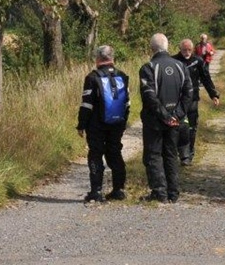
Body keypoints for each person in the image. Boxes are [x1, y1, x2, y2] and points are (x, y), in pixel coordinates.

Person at [138, 32, 192, 203]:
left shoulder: (148, 68)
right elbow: (188, 93)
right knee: (171, 154)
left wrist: (165, 116)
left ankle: (159, 193)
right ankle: (173, 193)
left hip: (155, 122)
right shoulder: (180, 66)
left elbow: (149, 96)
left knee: (153, 155)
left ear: (151, 48)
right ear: (168, 46)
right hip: (174, 121)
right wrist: (176, 115)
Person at [76, 44, 130, 203]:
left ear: (98, 58)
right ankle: (118, 190)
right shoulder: (122, 75)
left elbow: (87, 105)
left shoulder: (92, 77)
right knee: (115, 152)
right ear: (112, 58)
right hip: (117, 123)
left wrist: (81, 125)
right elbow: (127, 103)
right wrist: (123, 122)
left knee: (95, 154)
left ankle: (96, 191)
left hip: (96, 125)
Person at [174, 38, 220, 165]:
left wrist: (214, 95)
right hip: (177, 100)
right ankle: (181, 153)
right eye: (184, 50)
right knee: (178, 126)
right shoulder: (174, 61)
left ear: (193, 49)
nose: (187, 52)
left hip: (193, 98)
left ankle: (190, 153)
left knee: (192, 127)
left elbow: (206, 78)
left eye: (189, 50)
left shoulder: (198, 61)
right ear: (180, 49)